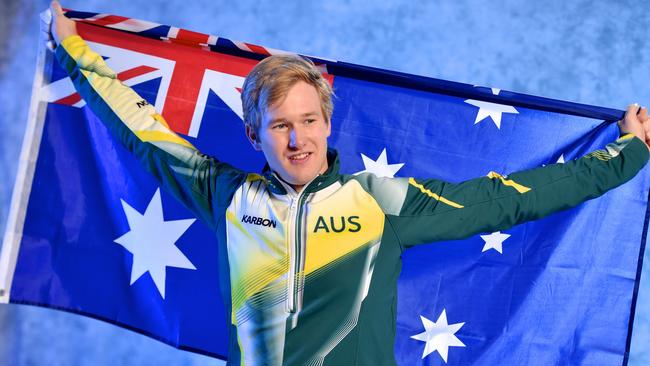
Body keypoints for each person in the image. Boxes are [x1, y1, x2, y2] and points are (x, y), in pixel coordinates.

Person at [46, 1, 650, 365]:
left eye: (309, 120)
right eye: (280, 125)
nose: (298, 139)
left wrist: (625, 154)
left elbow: (507, 200)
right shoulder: (227, 198)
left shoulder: (381, 202)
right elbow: (142, 134)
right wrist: (75, 49)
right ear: (255, 137)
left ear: (328, 123)